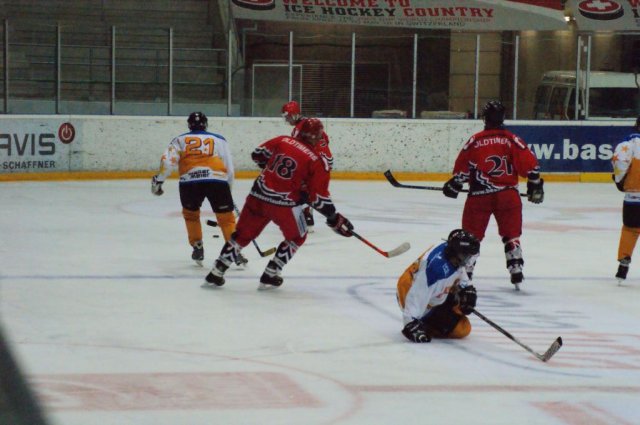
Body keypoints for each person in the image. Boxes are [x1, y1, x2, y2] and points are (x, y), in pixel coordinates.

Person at [204, 118, 353, 289]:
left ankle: (216, 271)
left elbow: (257, 154)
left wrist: (273, 174)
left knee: (242, 234)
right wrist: (334, 218)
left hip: (257, 195)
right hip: (284, 204)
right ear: (318, 138)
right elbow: (318, 198)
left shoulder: (283, 140)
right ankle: (271, 272)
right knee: (297, 236)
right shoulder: (316, 161)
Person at [442, 100, 544, 289]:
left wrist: (455, 183)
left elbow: (462, 170)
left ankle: (467, 271)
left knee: (472, 236)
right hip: (508, 196)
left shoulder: (476, 141)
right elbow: (531, 168)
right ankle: (516, 268)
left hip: (480, 197)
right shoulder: (512, 139)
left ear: (484, 118)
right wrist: (535, 185)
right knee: (511, 235)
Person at [151, 112, 246, 267]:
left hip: (190, 182)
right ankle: (234, 250)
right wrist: (228, 187)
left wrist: (159, 181)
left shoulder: (179, 140)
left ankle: (197, 245)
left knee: (191, 215)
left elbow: (168, 163)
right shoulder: (219, 139)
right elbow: (229, 167)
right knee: (226, 218)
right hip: (217, 180)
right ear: (206, 124)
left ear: (189, 125)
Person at [397, 229, 479, 343]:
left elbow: (459, 269)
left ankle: (436, 314)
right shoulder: (435, 271)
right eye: (466, 256)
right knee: (463, 329)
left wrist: (466, 287)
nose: (468, 261)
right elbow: (417, 293)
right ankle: (426, 321)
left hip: (426, 288)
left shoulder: (451, 250)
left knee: (460, 307)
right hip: (409, 291)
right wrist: (410, 323)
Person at [281, 101, 334, 232]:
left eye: (288, 116)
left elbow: (296, 150)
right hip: (326, 161)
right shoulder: (313, 124)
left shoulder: (298, 129)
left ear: (294, 115)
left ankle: (305, 215)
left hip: (314, 163)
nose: (287, 120)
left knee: (298, 187)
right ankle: (310, 215)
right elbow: (326, 141)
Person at [611, 116, 640, 282]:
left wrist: (619, 180)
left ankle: (624, 262)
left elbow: (620, 162)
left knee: (630, 229)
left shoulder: (629, 143)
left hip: (633, 197)